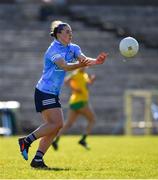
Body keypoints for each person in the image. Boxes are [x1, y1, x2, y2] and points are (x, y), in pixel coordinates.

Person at [18, 20, 108, 169]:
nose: (70, 34)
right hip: (44, 91)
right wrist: (82, 64)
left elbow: (84, 60)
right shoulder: (53, 50)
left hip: (52, 93)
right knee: (57, 124)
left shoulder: (73, 48)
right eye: (67, 31)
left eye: (71, 31)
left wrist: (96, 61)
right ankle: (26, 141)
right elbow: (65, 66)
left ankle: (38, 159)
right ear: (58, 34)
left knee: (55, 127)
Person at [52, 67, 96, 150]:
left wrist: (91, 81)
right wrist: (75, 89)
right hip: (81, 102)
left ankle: (56, 140)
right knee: (92, 120)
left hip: (74, 102)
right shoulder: (75, 73)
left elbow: (85, 84)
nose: (84, 66)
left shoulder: (84, 75)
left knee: (68, 124)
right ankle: (83, 140)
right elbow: (66, 81)